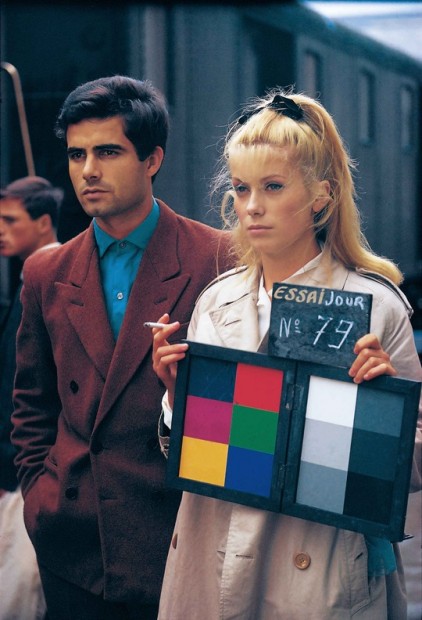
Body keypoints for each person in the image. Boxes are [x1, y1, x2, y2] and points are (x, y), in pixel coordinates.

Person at [151, 89, 422, 619]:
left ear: (322, 195)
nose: (252, 205)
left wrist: (380, 408)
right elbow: (202, 456)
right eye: (241, 188)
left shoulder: (377, 307)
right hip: (213, 552)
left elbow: (412, 466)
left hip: (318, 565)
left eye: (273, 187)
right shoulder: (215, 302)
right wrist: (177, 396)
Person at [10, 76, 232, 620]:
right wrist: (40, 497)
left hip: (177, 542)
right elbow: (32, 404)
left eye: (107, 152)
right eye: (77, 154)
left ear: (152, 159)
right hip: (72, 547)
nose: (88, 170)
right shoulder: (45, 271)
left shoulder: (218, 259)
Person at [0, 175, 63, 620]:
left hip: (34, 471)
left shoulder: (54, 284)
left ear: (43, 223)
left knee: (22, 596)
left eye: (10, 220)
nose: (0, 230)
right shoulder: (27, 282)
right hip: (17, 469)